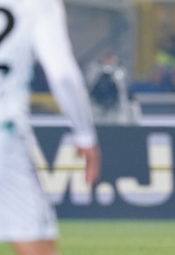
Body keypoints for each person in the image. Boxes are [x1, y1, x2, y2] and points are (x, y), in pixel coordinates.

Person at [0, 0, 101, 255]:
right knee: (35, 240)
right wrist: (85, 135)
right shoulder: (38, 5)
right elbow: (63, 75)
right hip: (5, 136)